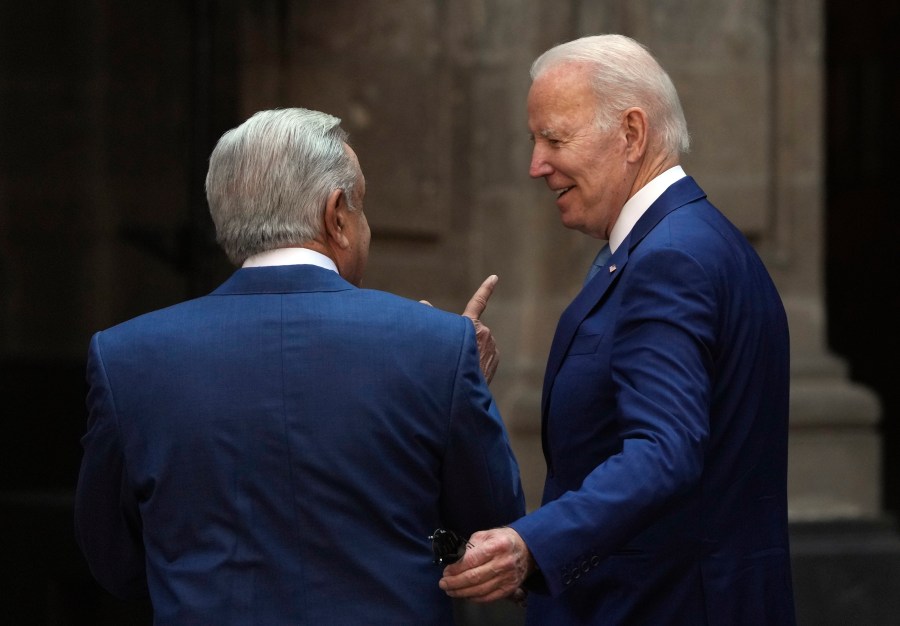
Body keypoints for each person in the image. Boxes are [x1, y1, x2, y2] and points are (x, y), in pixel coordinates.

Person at [74, 107, 525, 625]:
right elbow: (492, 536)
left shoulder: (127, 355)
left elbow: (114, 559)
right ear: (336, 216)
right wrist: (457, 385)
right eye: (362, 208)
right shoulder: (436, 346)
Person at [439, 34, 796, 625]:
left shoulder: (670, 258)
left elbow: (662, 453)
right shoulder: (674, 243)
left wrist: (532, 547)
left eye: (555, 138)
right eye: (534, 141)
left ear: (631, 134)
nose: (536, 166)